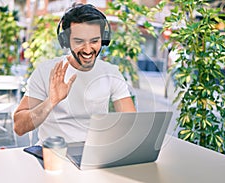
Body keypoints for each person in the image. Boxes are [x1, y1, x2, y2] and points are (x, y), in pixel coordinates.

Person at [13, 3, 136, 144]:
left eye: (95, 41)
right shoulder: (46, 71)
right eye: (79, 41)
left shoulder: (111, 73)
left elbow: (130, 123)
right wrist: (51, 102)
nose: (88, 50)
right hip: (54, 153)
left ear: (104, 39)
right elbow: (19, 127)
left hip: (94, 154)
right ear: (66, 41)